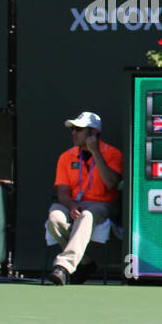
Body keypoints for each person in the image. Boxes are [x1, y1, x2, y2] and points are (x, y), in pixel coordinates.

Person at [45, 111, 123, 286]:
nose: (74, 133)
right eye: (73, 129)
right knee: (55, 218)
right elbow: (63, 192)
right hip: (73, 203)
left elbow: (111, 183)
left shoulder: (113, 154)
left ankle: (63, 267)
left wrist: (95, 152)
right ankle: (85, 263)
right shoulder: (65, 157)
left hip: (101, 204)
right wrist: (72, 205)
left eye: (79, 129)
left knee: (87, 217)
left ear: (93, 133)